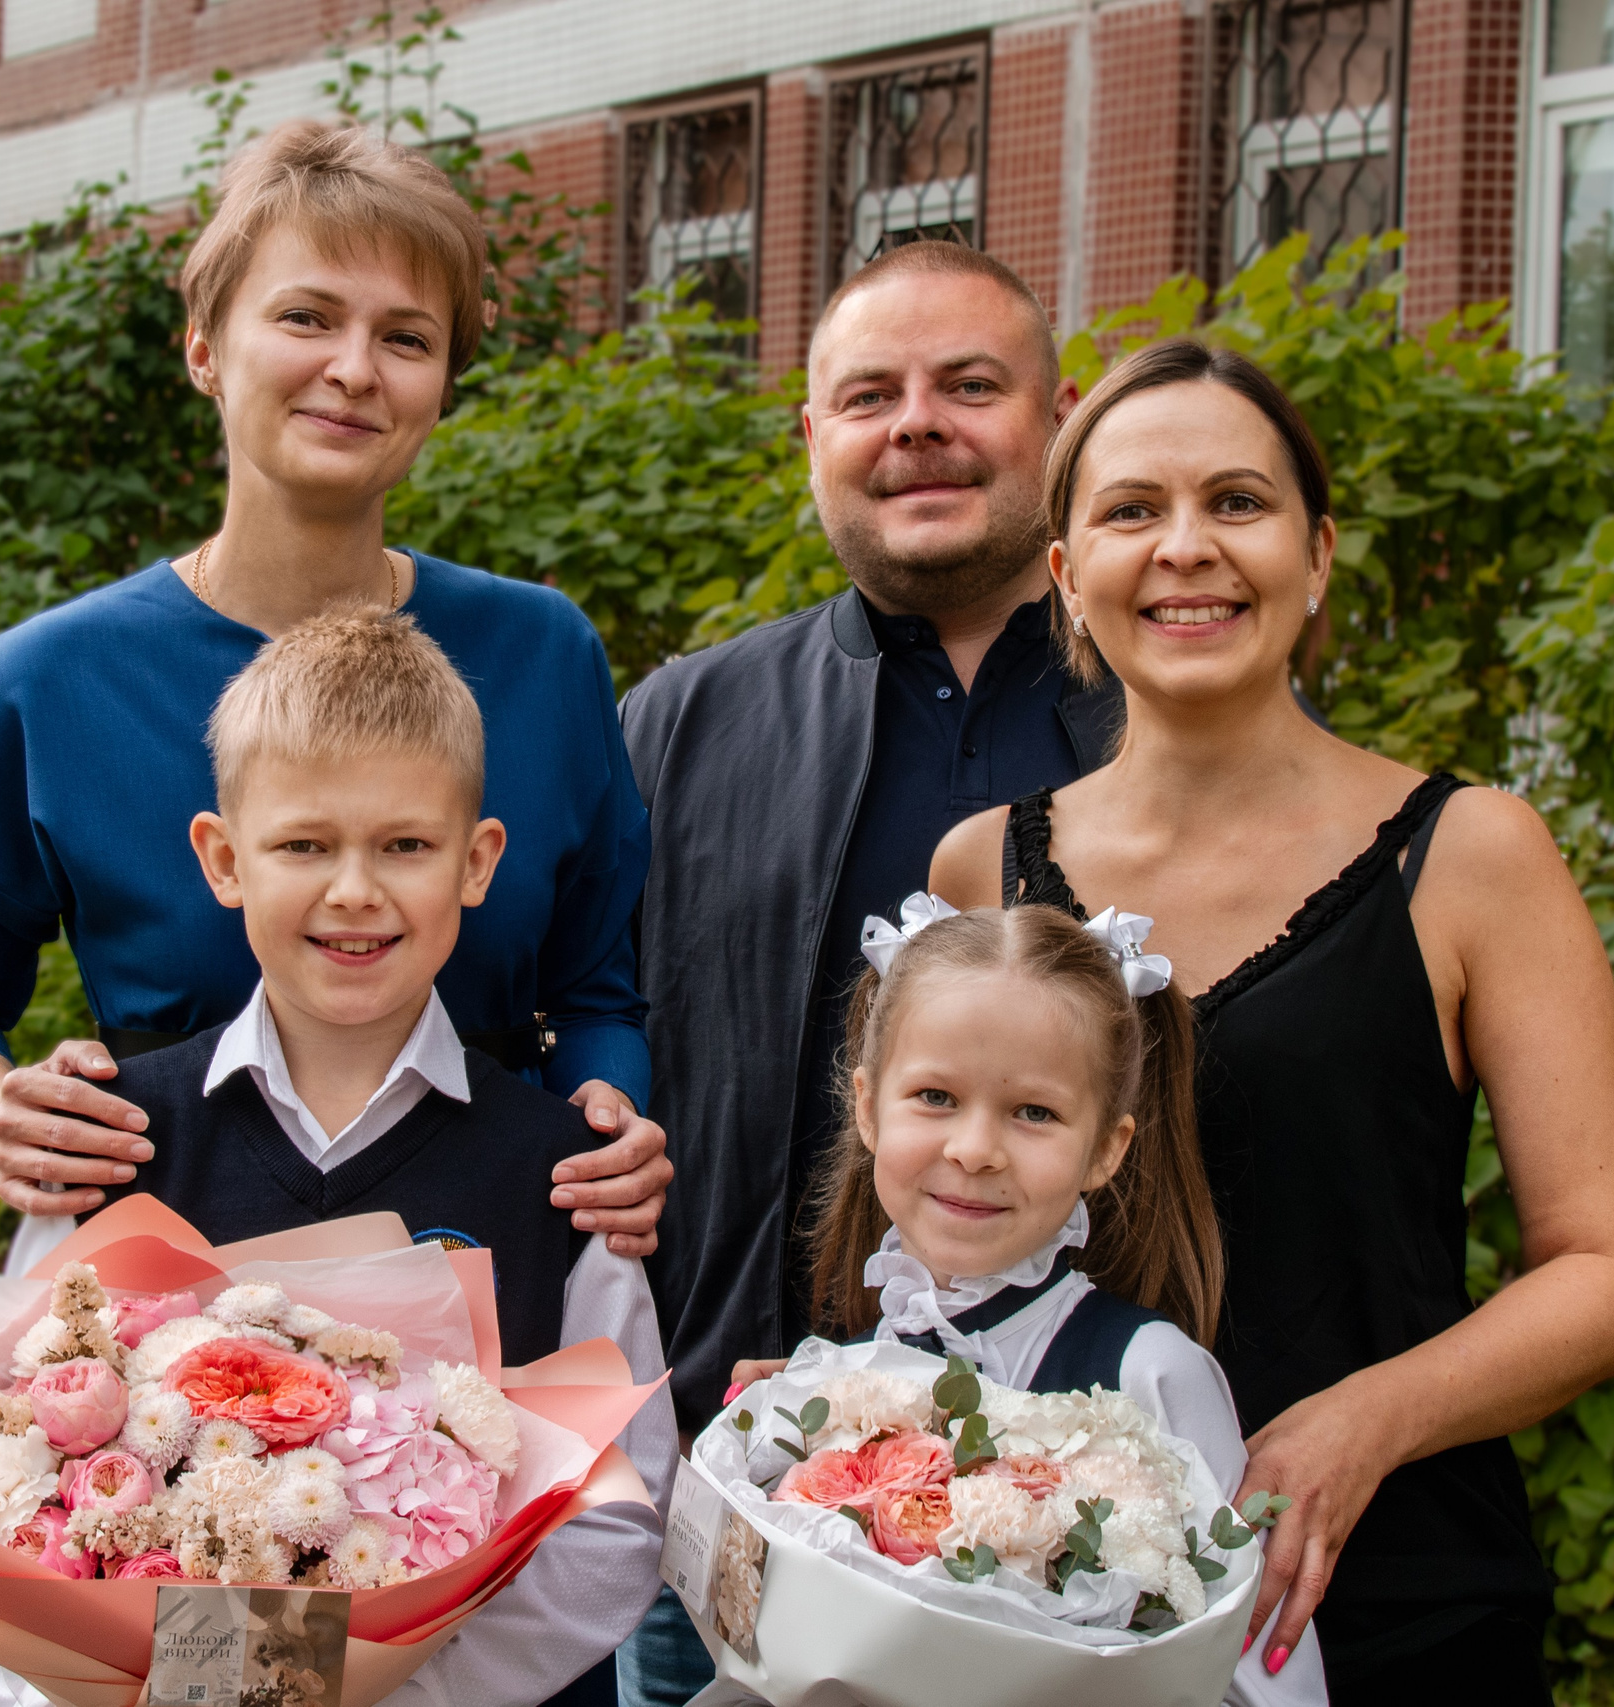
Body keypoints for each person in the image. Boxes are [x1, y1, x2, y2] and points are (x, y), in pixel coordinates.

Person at [930, 339, 1614, 1703]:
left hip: (1383, 1592)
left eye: (1239, 503)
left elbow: (1609, 1272)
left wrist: (1367, 1419)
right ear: (1067, 576)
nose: (1187, 548)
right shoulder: (983, 870)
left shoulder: (1469, 855)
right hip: (1046, 1604)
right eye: (1134, 509)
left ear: (1316, 556)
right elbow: (937, 1215)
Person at [0, 120, 671, 1281]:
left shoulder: (541, 654)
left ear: (443, 384)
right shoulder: (49, 681)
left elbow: (595, 988)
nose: (354, 367)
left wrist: (609, 1117)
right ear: (205, 346)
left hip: (482, 1263)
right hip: (168, 1258)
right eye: (306, 317)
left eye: (406, 336)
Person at [618, 240, 1117, 1704]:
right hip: (733, 1475)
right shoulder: (673, 730)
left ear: (1061, 417)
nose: (919, 425)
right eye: (870, 394)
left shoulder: (1162, 724)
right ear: (812, 436)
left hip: (1076, 1513)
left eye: (971, 386)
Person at [81, 601, 673, 1707]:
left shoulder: (561, 1176)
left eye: (404, 845)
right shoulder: (114, 1146)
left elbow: (619, 1521)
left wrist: (373, 1695)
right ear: (222, 858)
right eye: (304, 844)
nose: (354, 889)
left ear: (477, 860)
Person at [769, 897, 1329, 1705]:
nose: (973, 1149)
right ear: (866, 1105)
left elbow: (1263, 1679)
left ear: (1106, 1146)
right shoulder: (836, 1382)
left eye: (1034, 1112)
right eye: (934, 1096)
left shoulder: (1152, 1372)